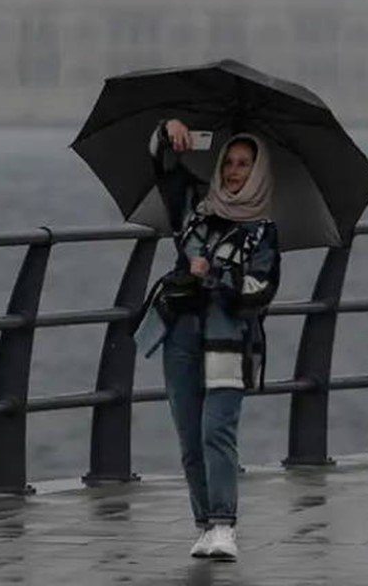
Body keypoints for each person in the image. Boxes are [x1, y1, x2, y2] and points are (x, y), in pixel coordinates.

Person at [143, 117, 280, 562]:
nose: (235, 172)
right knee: (188, 436)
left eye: (245, 164)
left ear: (258, 173)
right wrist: (168, 130)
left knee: (215, 431)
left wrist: (213, 276)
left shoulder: (263, 231)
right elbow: (163, 167)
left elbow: (261, 288)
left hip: (229, 340)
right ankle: (203, 524)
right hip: (181, 333)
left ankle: (224, 525)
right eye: (230, 163)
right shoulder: (195, 208)